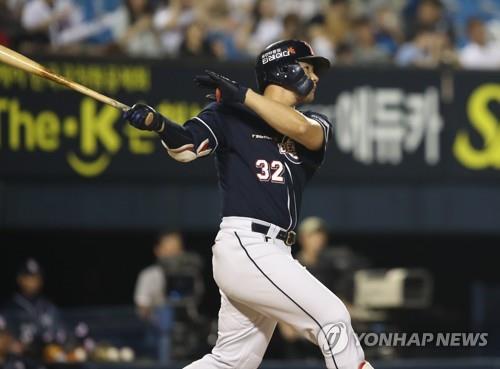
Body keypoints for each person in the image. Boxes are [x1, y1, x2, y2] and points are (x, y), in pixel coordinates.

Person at [123, 39, 373, 369]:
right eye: (308, 68)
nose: (314, 78)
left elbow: (302, 131)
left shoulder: (313, 122)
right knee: (333, 318)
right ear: (282, 69)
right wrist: (159, 125)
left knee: (231, 362)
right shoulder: (228, 114)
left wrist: (243, 94)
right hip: (247, 244)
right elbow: (186, 147)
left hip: (274, 252)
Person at [3, 259, 66, 359]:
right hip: (17, 361)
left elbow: (61, 334)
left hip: (46, 360)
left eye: (36, 277)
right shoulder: (9, 307)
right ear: (20, 279)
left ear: (41, 280)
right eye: (28, 277)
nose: (32, 281)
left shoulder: (48, 307)